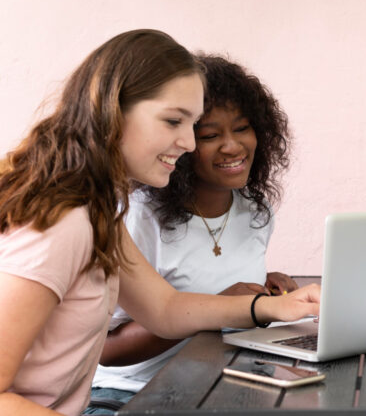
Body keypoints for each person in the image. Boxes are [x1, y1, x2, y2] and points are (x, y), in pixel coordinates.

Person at [0, 29, 319, 416]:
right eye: (173, 121)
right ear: (112, 110)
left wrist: (273, 308)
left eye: (192, 124)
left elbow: (164, 309)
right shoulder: (62, 222)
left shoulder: (96, 208)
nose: (187, 142)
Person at [87, 55, 298, 412]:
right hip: (130, 394)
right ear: (181, 144)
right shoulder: (136, 218)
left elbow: (212, 276)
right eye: (211, 135)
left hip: (219, 381)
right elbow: (107, 350)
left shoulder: (255, 211)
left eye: (243, 128)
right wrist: (226, 306)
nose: (232, 146)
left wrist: (268, 286)